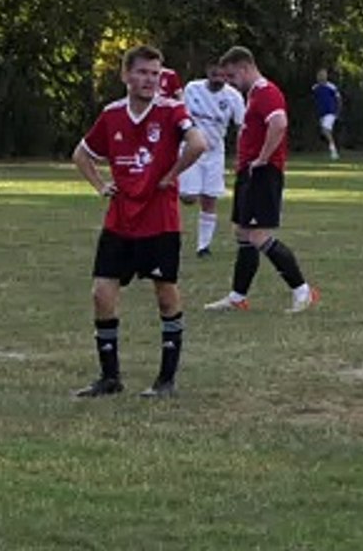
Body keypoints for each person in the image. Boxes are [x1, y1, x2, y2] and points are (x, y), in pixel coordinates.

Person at [72, 44, 208, 399]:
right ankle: (110, 378)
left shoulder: (171, 111)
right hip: (120, 220)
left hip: (159, 220)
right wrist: (102, 185)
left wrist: (172, 174)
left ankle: (166, 381)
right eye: (143, 72)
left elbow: (198, 143)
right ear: (125, 75)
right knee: (102, 294)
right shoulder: (112, 114)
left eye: (155, 73)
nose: (150, 80)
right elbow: (81, 153)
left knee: (165, 296)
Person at [204, 46, 318, 314]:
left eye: (232, 76)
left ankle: (302, 291)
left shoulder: (267, 92)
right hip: (250, 172)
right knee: (242, 232)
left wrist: (263, 158)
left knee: (257, 235)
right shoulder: (254, 94)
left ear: (244, 68)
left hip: (263, 173)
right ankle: (237, 297)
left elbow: (278, 123)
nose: (230, 83)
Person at [179, 61, 246, 257]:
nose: (218, 79)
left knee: (210, 199)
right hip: (191, 149)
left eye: (222, 76)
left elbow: (242, 127)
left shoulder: (233, 96)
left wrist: (241, 155)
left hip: (215, 151)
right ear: (208, 72)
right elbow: (179, 116)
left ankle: (203, 247)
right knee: (188, 197)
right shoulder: (192, 88)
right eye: (214, 75)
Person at [313, 68, 342, 160]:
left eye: (324, 74)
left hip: (331, 112)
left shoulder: (331, 87)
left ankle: (334, 151)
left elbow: (338, 99)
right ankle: (333, 149)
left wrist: (337, 112)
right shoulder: (315, 88)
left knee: (325, 130)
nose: (322, 76)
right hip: (322, 113)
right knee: (325, 131)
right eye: (320, 75)